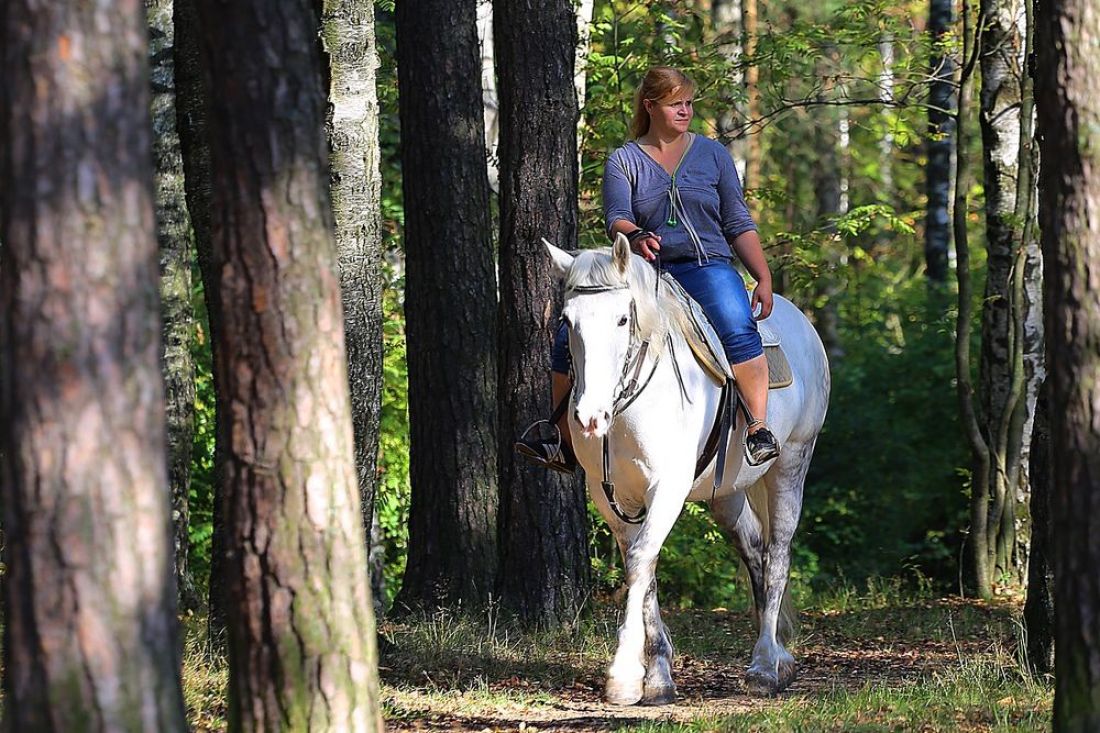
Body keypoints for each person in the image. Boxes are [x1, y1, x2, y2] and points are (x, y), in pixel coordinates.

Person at [517, 66, 780, 472]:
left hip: (706, 266)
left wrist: (761, 275)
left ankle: (757, 429)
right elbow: (617, 217)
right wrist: (636, 234)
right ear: (650, 106)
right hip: (646, 272)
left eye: (689, 103)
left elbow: (737, 222)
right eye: (676, 104)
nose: (686, 111)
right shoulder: (624, 160)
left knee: (735, 322)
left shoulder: (713, 155)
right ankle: (561, 441)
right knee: (566, 338)